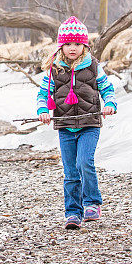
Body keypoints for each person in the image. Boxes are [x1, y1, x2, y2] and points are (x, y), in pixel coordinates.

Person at [36, 16, 117, 230]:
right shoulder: (54, 69)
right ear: (61, 46)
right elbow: (43, 94)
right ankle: (73, 212)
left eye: (77, 44)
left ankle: (92, 202)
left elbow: (107, 89)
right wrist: (43, 110)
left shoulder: (93, 66)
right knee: (71, 171)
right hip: (65, 126)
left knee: (84, 163)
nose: (73, 48)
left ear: (84, 46)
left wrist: (109, 103)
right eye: (68, 44)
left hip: (89, 124)